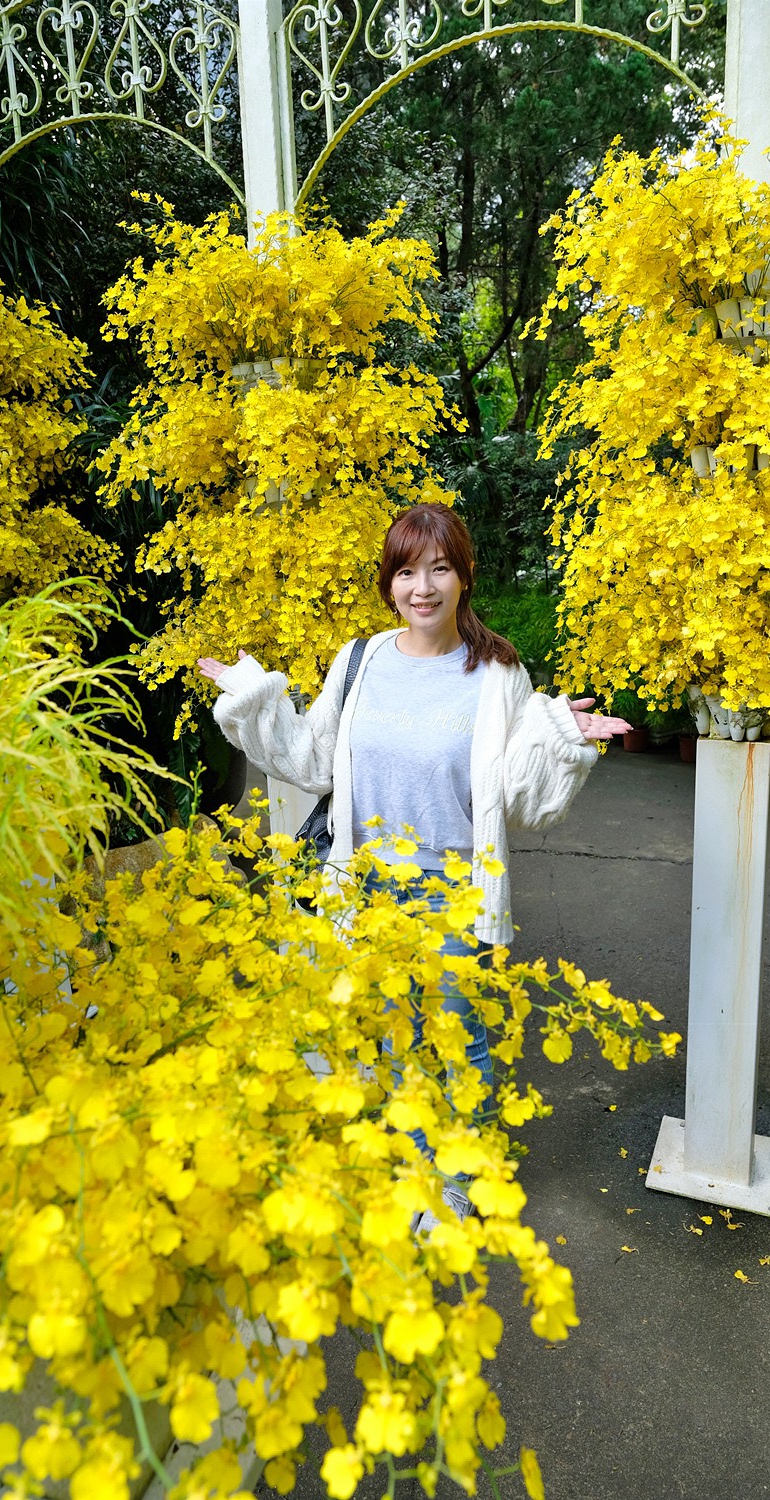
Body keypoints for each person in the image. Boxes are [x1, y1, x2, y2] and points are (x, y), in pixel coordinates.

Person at [197, 502, 630, 1223]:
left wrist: (561, 736)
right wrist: (254, 702)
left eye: (437, 569)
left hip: (454, 889)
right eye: (405, 571)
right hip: (366, 884)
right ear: (389, 582)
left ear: (463, 576)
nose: (421, 587)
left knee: (460, 1039)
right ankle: (419, 1163)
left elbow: (520, 798)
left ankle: (459, 1182)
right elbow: (310, 758)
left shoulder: (497, 672)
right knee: (396, 1034)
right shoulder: (360, 660)